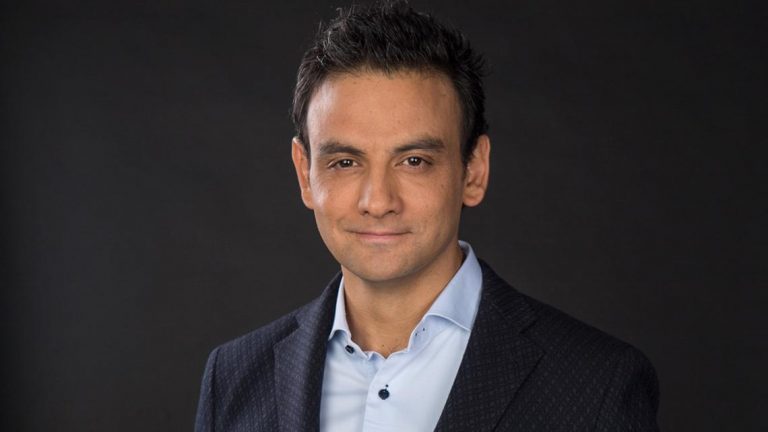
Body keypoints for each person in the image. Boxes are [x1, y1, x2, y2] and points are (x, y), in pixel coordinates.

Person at [194, 2, 659, 431]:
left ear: (473, 171)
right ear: (305, 174)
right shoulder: (233, 378)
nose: (378, 201)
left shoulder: (598, 384)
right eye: (345, 162)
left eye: (414, 161)